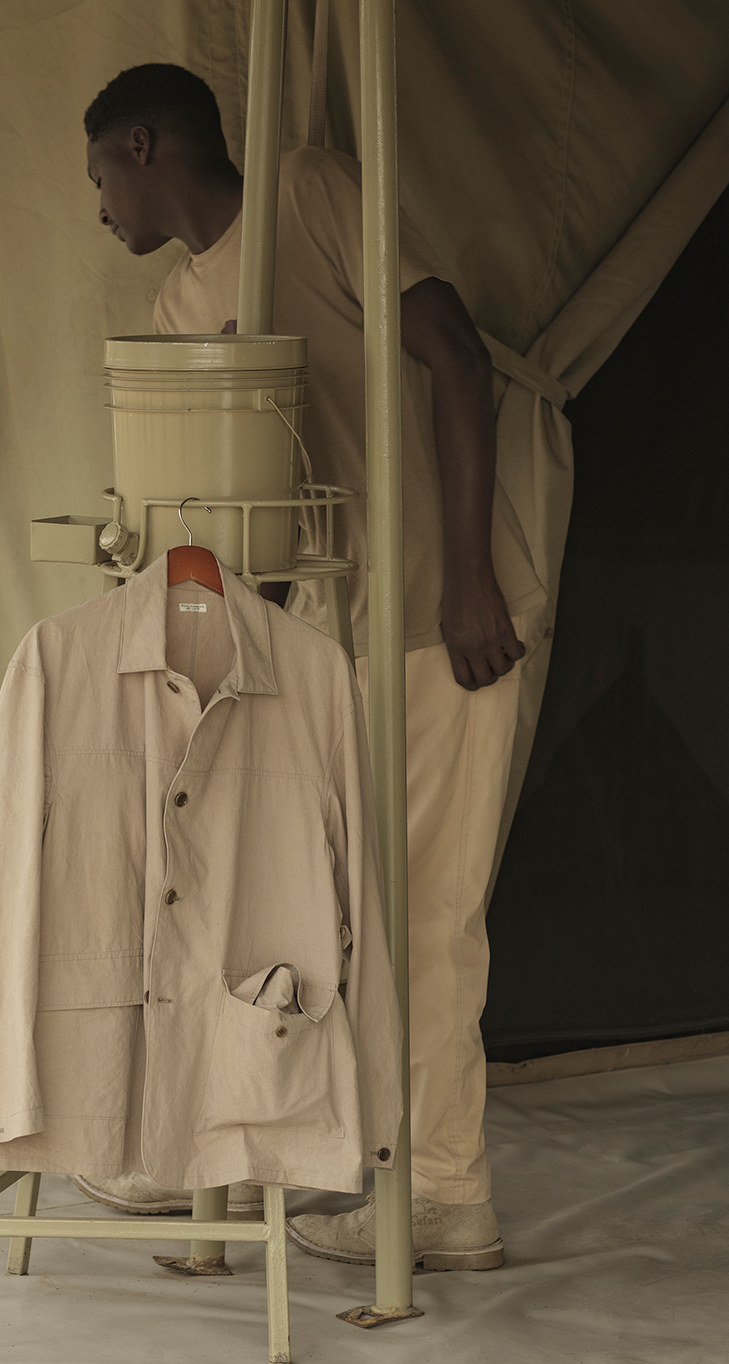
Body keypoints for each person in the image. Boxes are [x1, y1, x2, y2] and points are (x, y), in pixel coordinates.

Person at [73, 63, 546, 1271]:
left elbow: (457, 357)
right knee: (274, 898)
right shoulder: (180, 307)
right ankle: (240, 1157)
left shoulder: (307, 193)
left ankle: (446, 1194)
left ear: (143, 146)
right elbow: (241, 514)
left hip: (438, 614)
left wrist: (469, 576)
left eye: (99, 178)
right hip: (325, 636)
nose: (100, 210)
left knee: (425, 908)